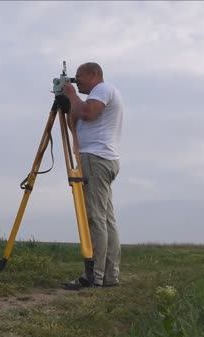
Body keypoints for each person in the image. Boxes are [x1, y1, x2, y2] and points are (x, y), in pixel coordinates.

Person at [60, 62, 124, 290]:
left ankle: (94, 276)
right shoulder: (97, 95)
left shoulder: (103, 90)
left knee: (96, 217)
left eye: (80, 77)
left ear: (94, 74)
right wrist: (70, 102)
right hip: (101, 158)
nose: (77, 81)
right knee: (106, 218)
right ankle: (109, 275)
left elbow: (86, 113)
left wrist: (72, 94)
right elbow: (74, 124)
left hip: (96, 158)